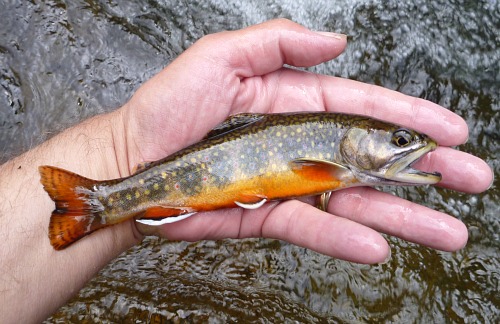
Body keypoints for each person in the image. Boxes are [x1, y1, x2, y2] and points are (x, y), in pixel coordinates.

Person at [0, 19, 492, 322]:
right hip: (211, 168)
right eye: (400, 141)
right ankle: (103, 201)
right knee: (130, 194)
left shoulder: (339, 167)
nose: (407, 148)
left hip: (226, 171)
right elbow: (312, 176)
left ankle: (106, 200)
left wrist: (118, 151)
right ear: (353, 142)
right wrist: (120, 149)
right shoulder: (332, 167)